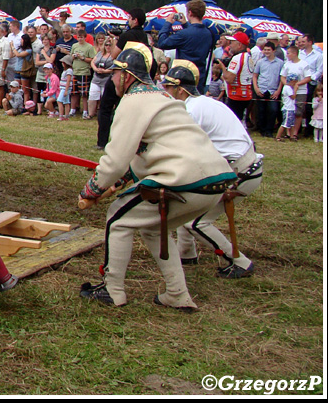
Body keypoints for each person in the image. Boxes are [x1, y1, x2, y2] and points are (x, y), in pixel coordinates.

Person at [78, 43, 236, 311]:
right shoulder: (164, 98)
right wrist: (123, 179)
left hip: (187, 179)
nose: (112, 78)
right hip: (215, 180)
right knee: (151, 226)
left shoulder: (133, 101)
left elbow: (116, 158)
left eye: (115, 73)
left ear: (127, 76)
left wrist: (92, 189)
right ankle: (177, 294)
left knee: (117, 219)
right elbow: (150, 153)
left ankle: (112, 288)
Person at [163, 60, 262, 279]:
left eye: (168, 87)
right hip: (240, 167)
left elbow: (181, 148)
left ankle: (238, 261)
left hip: (240, 172)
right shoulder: (204, 103)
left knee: (196, 221)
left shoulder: (191, 109)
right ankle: (186, 252)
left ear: (180, 90)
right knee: (185, 203)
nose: (164, 91)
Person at [96, 8, 150, 149]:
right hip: (136, 78)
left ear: (135, 20)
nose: (128, 20)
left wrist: (114, 40)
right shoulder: (144, 36)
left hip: (121, 75)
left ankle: (102, 142)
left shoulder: (127, 35)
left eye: (130, 18)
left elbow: (114, 55)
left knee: (105, 109)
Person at [155, 0, 216, 94]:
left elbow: (162, 43)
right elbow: (194, 35)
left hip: (184, 78)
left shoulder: (183, 34)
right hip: (200, 77)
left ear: (190, 13)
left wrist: (167, 23)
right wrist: (185, 24)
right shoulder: (209, 33)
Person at [217, 32, 253, 126]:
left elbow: (229, 79)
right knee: (241, 119)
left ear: (239, 45)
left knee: (233, 121)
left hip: (236, 94)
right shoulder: (248, 56)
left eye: (232, 42)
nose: (230, 45)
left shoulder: (237, 58)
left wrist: (222, 67)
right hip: (246, 93)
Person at [275, 45, 310, 138]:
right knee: (288, 110)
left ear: (295, 53)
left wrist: (298, 84)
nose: (287, 55)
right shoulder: (287, 64)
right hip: (288, 92)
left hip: (300, 91)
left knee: (298, 112)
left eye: (288, 53)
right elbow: (282, 76)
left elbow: (308, 77)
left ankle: (295, 133)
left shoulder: (304, 64)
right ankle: (288, 132)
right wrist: (287, 84)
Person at [252, 41, 284, 138]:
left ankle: (269, 130)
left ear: (273, 50)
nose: (266, 52)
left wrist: (278, 91)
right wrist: (256, 88)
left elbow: (282, 78)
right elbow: (255, 76)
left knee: (273, 110)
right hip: (262, 88)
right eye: (265, 50)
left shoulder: (280, 63)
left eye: (268, 50)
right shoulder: (260, 62)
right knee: (261, 111)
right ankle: (262, 129)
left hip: (273, 90)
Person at [297, 34, 323, 139]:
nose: (301, 43)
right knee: (299, 106)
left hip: (311, 83)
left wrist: (310, 78)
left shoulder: (318, 55)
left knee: (309, 107)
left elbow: (319, 70)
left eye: (304, 41)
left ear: (310, 42)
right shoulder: (300, 54)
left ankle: (309, 130)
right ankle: (298, 129)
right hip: (300, 83)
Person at [70, 31, 96, 119]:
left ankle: (85, 111)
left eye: (81, 37)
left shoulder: (89, 47)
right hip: (75, 71)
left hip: (84, 72)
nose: (80, 39)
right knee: (74, 92)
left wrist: (83, 58)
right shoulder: (74, 46)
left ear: (85, 37)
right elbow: (70, 57)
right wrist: (73, 56)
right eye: (78, 37)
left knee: (84, 94)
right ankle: (72, 110)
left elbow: (93, 59)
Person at [88, 36, 114, 119]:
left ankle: (104, 114)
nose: (108, 47)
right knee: (92, 95)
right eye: (106, 45)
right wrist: (95, 69)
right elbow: (92, 62)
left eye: (110, 45)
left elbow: (115, 66)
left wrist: (105, 71)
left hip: (107, 78)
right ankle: (90, 114)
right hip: (96, 77)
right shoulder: (100, 53)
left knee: (105, 97)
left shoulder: (114, 55)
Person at [275, 75, 299, 141]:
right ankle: (278, 137)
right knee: (285, 123)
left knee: (291, 124)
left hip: (291, 108)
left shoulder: (289, 88)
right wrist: (295, 90)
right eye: (294, 82)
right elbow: (293, 97)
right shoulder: (287, 88)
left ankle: (291, 136)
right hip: (287, 108)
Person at [56, 55, 74, 121]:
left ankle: (61, 115)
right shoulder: (65, 70)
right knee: (66, 102)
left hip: (65, 89)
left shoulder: (69, 71)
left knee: (59, 101)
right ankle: (66, 116)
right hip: (63, 88)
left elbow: (68, 80)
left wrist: (66, 90)